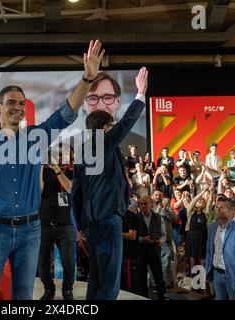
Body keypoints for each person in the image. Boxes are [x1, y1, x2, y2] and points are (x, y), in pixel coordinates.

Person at [0, 40, 105, 300]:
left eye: (22, 103)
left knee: (24, 297)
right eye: (11, 102)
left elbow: (66, 114)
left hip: (30, 231)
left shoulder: (37, 137)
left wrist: (87, 79)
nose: (18, 107)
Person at [72, 67, 147, 300]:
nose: (114, 130)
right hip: (107, 221)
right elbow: (127, 122)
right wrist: (140, 94)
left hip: (91, 223)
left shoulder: (83, 151)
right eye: (111, 127)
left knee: (96, 276)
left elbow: (76, 194)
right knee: (110, 282)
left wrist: (80, 226)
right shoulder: (103, 141)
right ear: (105, 129)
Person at [38, 147, 75, 301]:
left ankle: (67, 290)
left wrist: (58, 171)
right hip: (44, 224)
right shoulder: (45, 171)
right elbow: (39, 189)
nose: (59, 156)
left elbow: (70, 188)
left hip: (64, 225)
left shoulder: (72, 171)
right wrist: (41, 166)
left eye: (63, 154)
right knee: (42, 264)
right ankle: (49, 289)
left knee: (68, 261)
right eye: (57, 154)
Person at [205, 196, 235, 300]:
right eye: (216, 207)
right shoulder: (213, 227)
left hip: (233, 276)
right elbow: (209, 251)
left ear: (231, 211)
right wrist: (208, 270)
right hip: (216, 274)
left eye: (221, 207)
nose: (217, 209)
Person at [136, 195, 167, 300]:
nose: (143, 206)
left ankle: (162, 298)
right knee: (142, 279)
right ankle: (143, 298)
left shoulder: (158, 217)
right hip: (141, 252)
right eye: (141, 204)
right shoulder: (136, 218)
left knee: (159, 278)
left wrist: (161, 241)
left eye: (145, 203)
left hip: (154, 251)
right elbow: (133, 236)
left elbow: (164, 235)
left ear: (151, 205)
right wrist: (141, 239)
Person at [152, 190, 176, 290]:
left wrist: (166, 209)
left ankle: (166, 285)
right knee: (154, 265)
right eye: (156, 195)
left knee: (166, 264)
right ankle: (155, 285)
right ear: (153, 196)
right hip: (154, 241)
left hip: (166, 240)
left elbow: (174, 218)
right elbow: (151, 218)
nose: (158, 197)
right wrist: (158, 210)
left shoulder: (167, 206)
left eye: (160, 195)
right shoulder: (149, 205)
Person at [120, 200, 141, 295]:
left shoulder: (130, 216)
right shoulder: (117, 216)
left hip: (129, 257)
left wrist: (115, 232)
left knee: (131, 287)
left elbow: (132, 236)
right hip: (121, 255)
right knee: (122, 286)